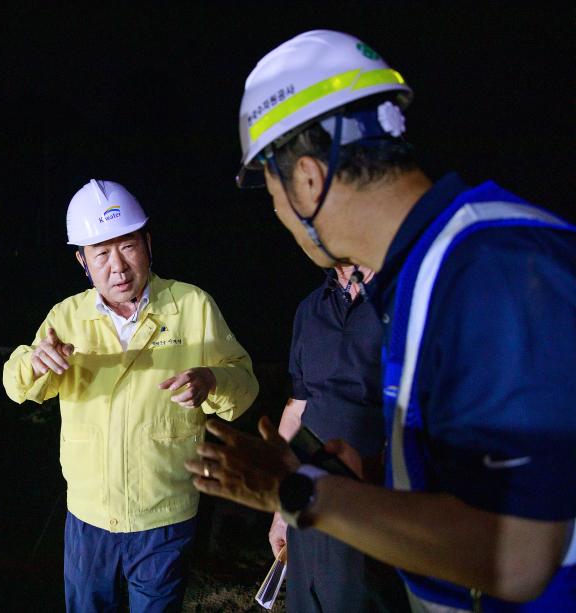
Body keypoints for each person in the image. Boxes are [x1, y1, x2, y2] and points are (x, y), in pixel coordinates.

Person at [184, 30, 576, 611]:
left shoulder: (490, 268)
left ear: (308, 180)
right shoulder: (432, 272)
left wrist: (295, 489)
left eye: (270, 191)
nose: (276, 215)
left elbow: (517, 555)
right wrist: (368, 481)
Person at [2, 179, 258, 612]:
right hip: (89, 514)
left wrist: (212, 381)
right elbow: (16, 385)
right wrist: (34, 362)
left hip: (165, 510)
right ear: (82, 261)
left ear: (148, 243)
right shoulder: (68, 316)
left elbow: (244, 384)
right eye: (101, 254)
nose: (117, 267)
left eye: (127, 247)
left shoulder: (192, 306)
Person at [270, 264, 409, 613]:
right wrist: (278, 509)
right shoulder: (311, 307)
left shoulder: (403, 301)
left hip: (369, 501)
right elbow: (297, 406)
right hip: (307, 493)